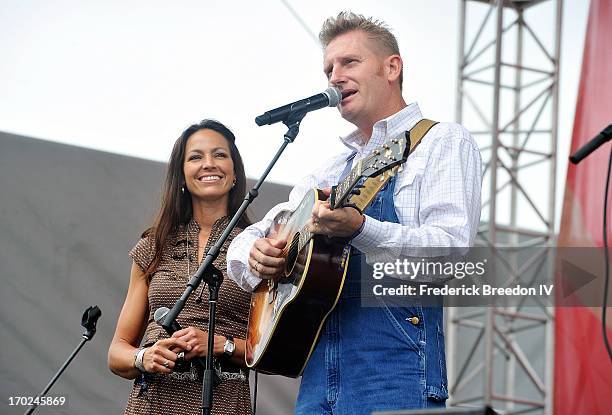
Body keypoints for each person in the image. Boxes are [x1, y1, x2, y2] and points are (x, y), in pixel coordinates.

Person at [227, 11, 482, 414]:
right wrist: (258, 256)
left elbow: (450, 252)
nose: (334, 76)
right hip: (317, 375)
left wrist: (362, 229)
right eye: (329, 68)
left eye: (349, 62)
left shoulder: (440, 142)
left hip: (395, 369)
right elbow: (246, 239)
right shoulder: (329, 171)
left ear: (391, 67)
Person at [108, 119, 253, 415]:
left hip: (225, 405)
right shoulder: (153, 245)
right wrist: (143, 357)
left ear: (235, 173)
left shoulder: (258, 246)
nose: (209, 164)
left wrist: (220, 344)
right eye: (196, 157)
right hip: (151, 404)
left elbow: (275, 354)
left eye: (220, 155)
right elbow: (117, 352)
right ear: (182, 175)